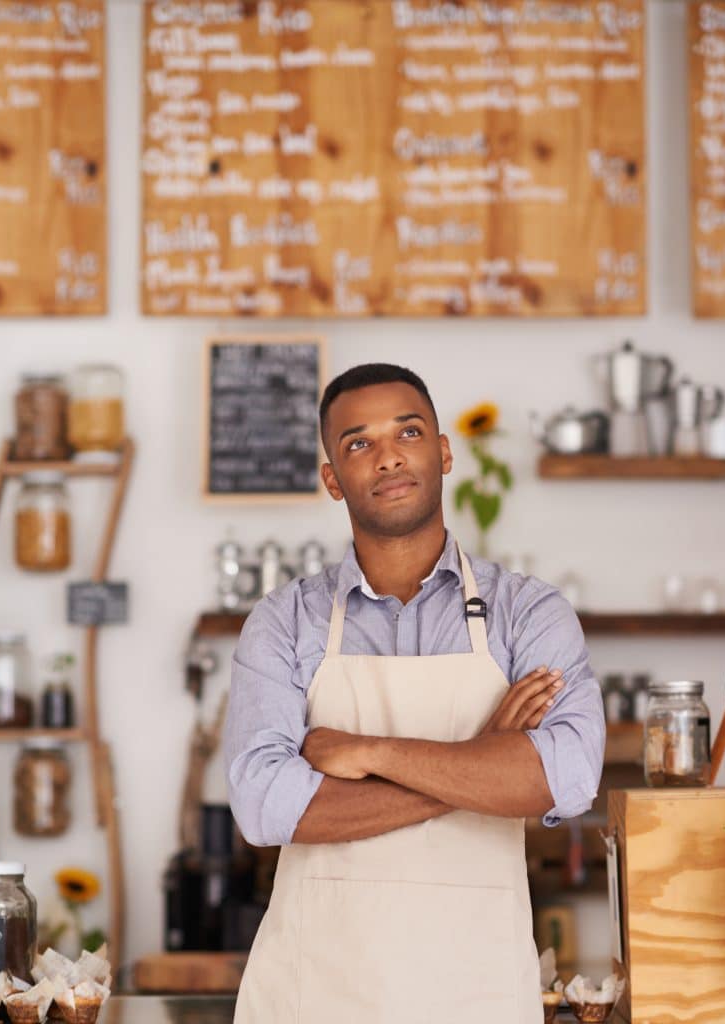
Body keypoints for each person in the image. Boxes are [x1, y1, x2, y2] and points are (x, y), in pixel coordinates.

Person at [225, 363, 605, 1024]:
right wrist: (484, 757)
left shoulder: (528, 612)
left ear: (444, 451)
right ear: (331, 480)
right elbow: (264, 805)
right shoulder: (285, 621)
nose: (389, 455)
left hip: (476, 991)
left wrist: (364, 750)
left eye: (408, 430)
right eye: (357, 443)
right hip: (313, 992)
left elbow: (566, 777)